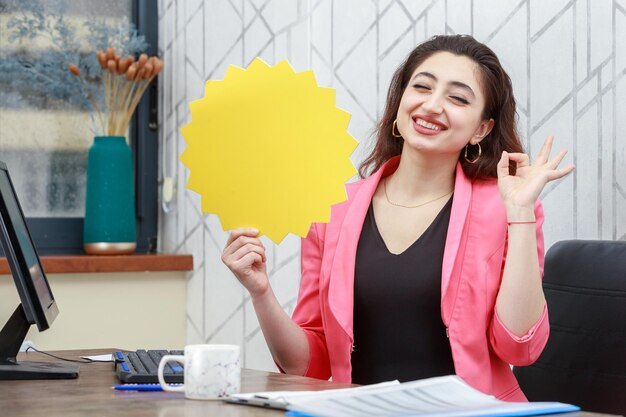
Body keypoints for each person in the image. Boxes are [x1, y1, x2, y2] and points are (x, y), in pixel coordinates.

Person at [221, 34, 575, 401]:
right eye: (421, 87)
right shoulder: (332, 209)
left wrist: (519, 215)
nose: (432, 105)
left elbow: (519, 347)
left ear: (481, 128)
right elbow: (309, 365)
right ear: (401, 101)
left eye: (457, 97)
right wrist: (260, 291)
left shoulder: (505, 206)